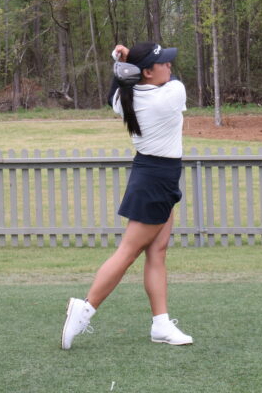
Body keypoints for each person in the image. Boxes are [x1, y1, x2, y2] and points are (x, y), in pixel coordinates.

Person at [61, 42, 193, 349]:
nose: (169, 67)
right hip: (156, 178)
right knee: (128, 253)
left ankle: (160, 324)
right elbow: (156, 83)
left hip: (154, 175)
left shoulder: (126, 97)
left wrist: (120, 63)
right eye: (162, 63)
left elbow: (115, 91)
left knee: (157, 251)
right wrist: (124, 62)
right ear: (146, 72)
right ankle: (85, 308)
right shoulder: (171, 94)